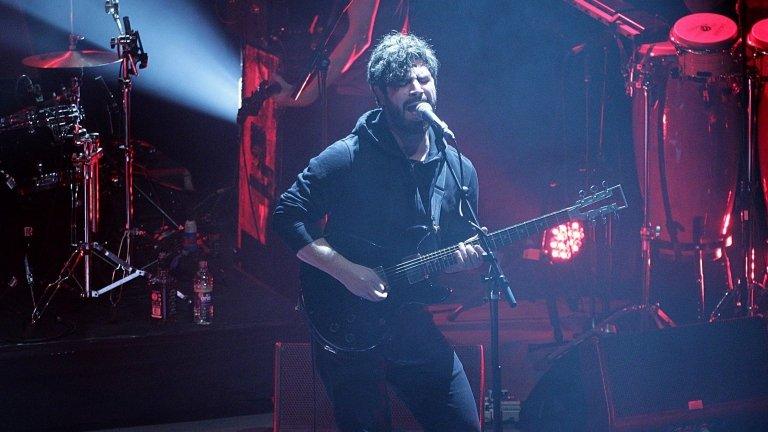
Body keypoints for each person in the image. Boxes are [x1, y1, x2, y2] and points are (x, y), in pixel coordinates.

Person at [272, 31, 485, 432]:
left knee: (463, 424)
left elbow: (452, 250)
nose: (416, 90)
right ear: (381, 94)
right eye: (402, 83)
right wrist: (347, 272)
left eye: (423, 80)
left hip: (407, 316)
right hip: (345, 320)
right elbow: (287, 215)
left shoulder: (458, 168)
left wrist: (463, 261)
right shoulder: (349, 156)